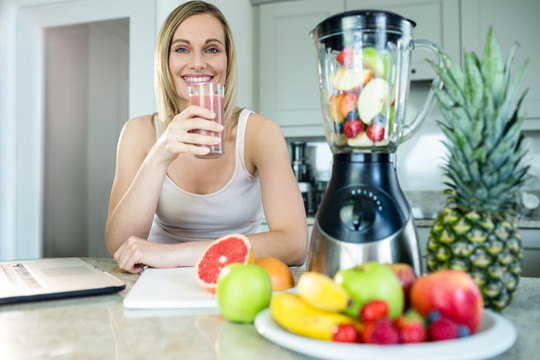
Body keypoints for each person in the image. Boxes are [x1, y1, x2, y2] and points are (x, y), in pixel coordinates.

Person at [105, 1, 308, 273]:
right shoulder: (139, 133)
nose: (198, 63)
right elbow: (119, 245)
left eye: (212, 49)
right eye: (182, 49)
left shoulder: (260, 133)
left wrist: (178, 254)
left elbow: (294, 245)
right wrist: (160, 154)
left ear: (227, 60)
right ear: (165, 61)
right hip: (155, 283)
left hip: (235, 280)